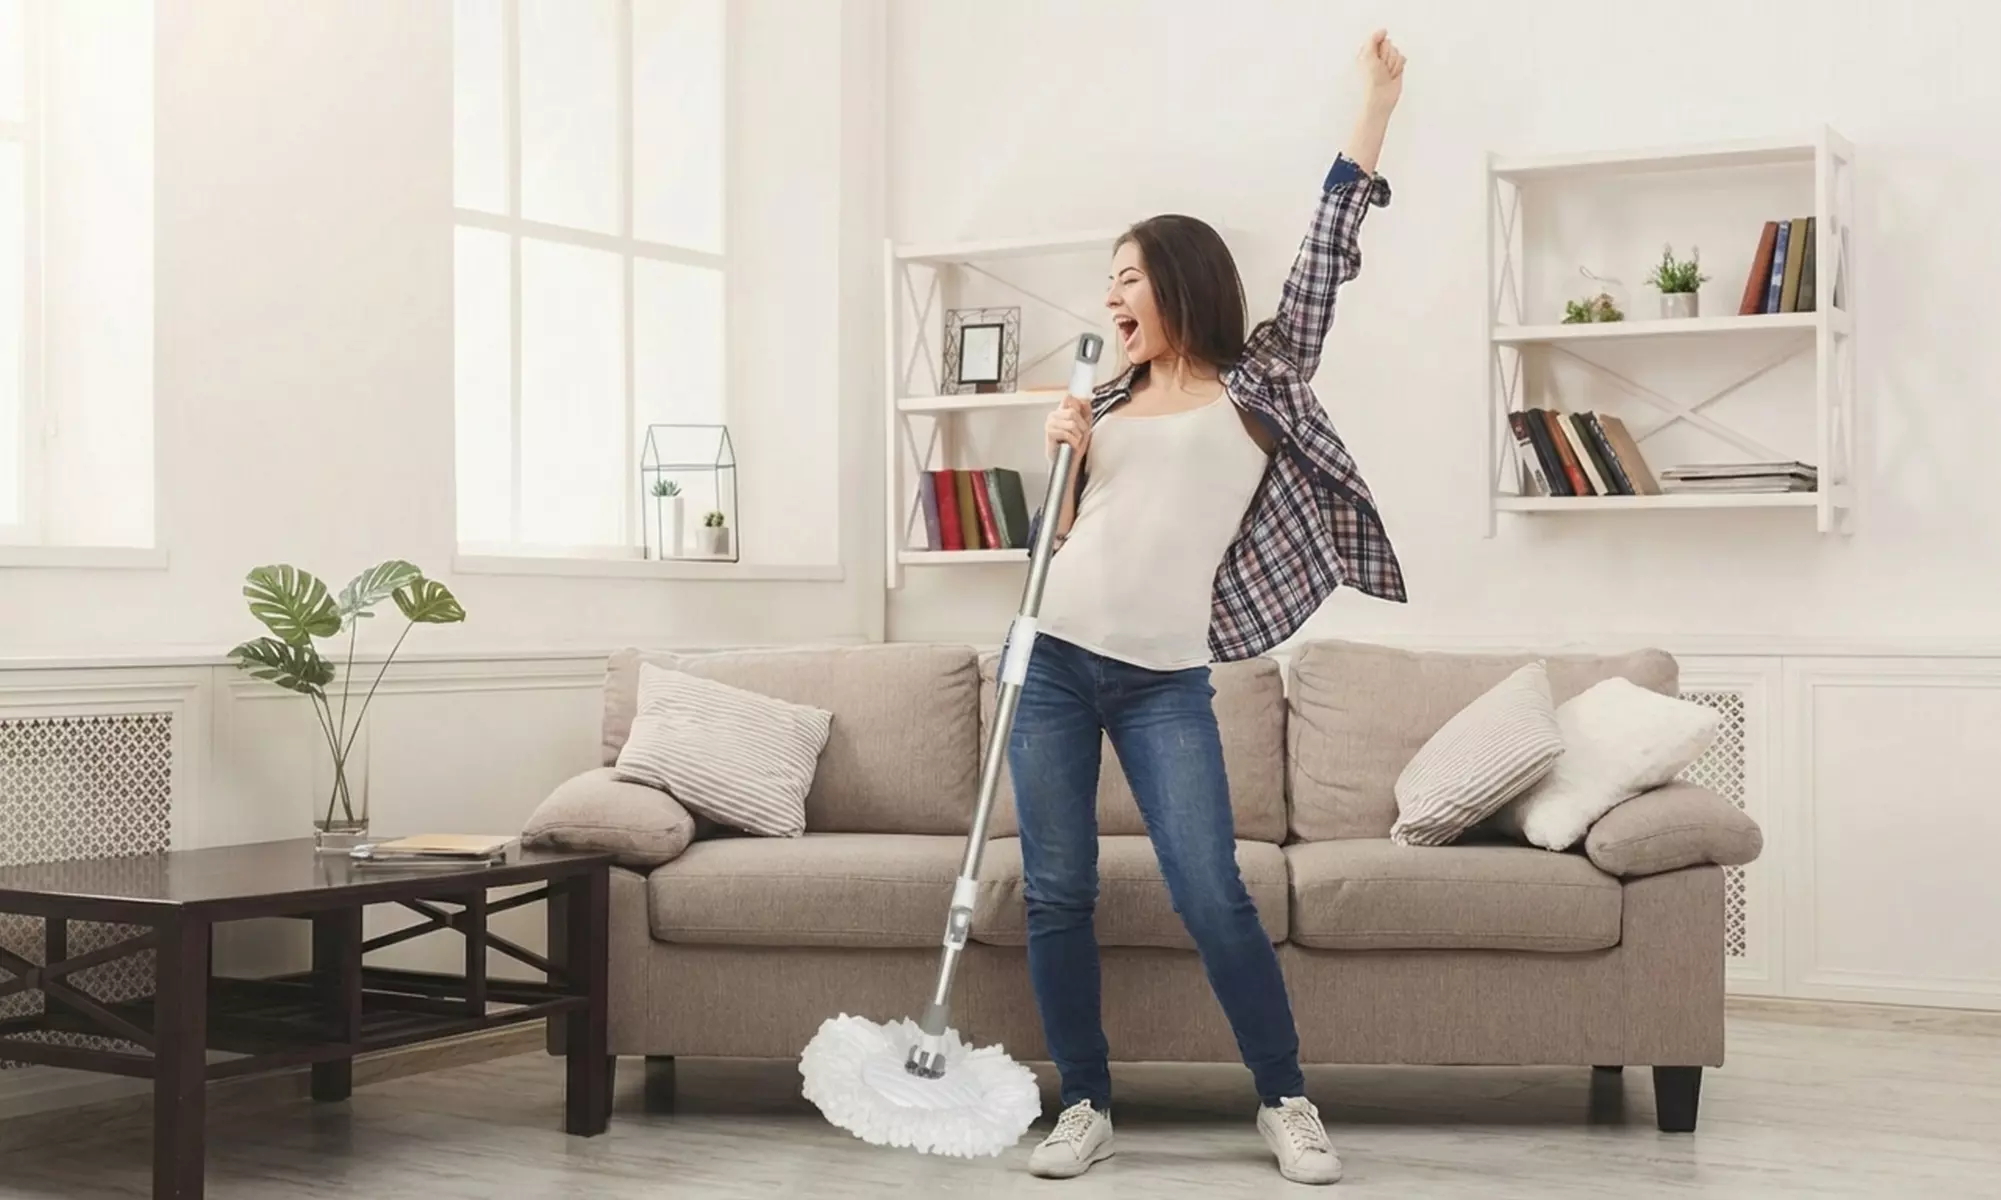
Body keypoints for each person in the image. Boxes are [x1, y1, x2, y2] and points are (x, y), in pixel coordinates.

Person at [1009, 29, 1410, 1186]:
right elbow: (1065, 545)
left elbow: (1329, 250)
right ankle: (1082, 1105)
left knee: (1210, 890)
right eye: (1109, 280)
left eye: (1127, 276)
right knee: (1056, 891)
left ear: (1178, 283)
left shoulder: (1262, 381)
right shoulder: (1104, 396)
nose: (1110, 295)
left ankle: (1285, 1099)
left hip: (1162, 678)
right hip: (1049, 659)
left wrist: (1374, 105)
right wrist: (1066, 453)